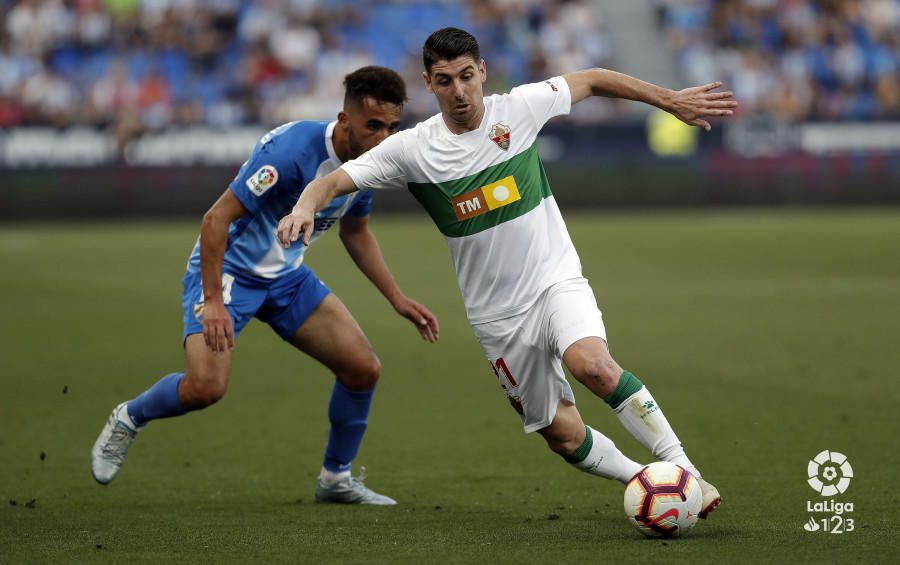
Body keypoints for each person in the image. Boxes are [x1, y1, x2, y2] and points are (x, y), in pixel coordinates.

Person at [277, 28, 738, 518]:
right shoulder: (411, 150)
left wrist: (667, 99)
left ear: (483, 73)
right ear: (428, 84)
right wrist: (304, 208)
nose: (459, 91)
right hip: (497, 317)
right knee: (561, 435)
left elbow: (595, 79)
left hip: (554, 281)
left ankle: (683, 472)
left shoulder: (519, 108)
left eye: (467, 77)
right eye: (444, 80)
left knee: (595, 367)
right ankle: (644, 480)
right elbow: (330, 182)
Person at [90, 66, 440, 505]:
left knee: (362, 368)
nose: (384, 139)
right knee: (205, 388)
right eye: (374, 126)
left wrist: (397, 298)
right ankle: (129, 416)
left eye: (392, 127)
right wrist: (214, 300)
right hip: (230, 273)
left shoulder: (368, 163)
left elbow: (357, 232)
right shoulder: (291, 153)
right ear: (345, 119)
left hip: (287, 277)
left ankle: (335, 478)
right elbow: (215, 220)